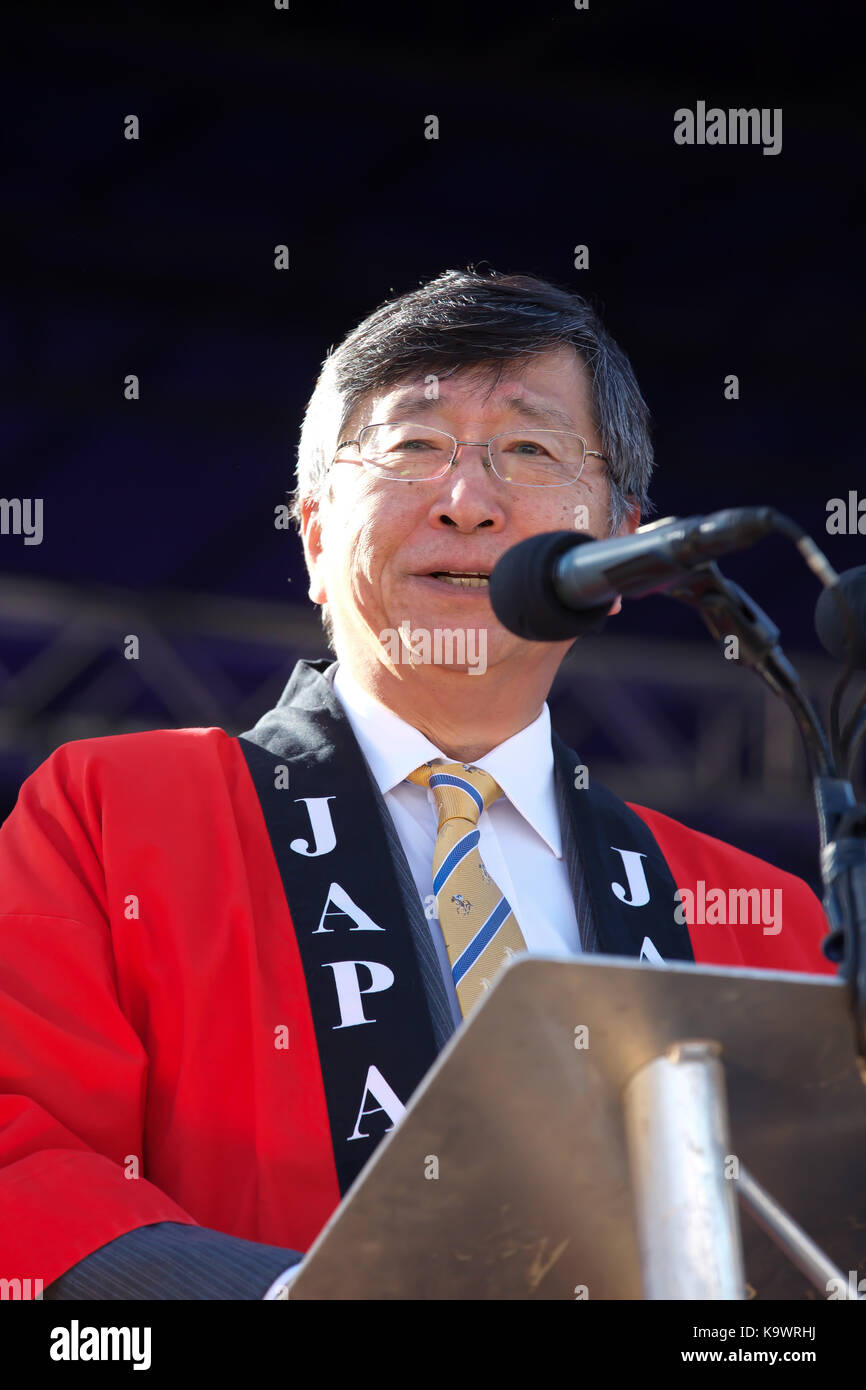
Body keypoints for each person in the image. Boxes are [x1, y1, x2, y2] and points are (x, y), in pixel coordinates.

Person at [0, 268, 835, 1301]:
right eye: (412, 447)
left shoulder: (759, 923)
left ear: (619, 548)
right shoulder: (116, 815)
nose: (468, 501)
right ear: (313, 534)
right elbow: (18, 1157)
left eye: (528, 450)